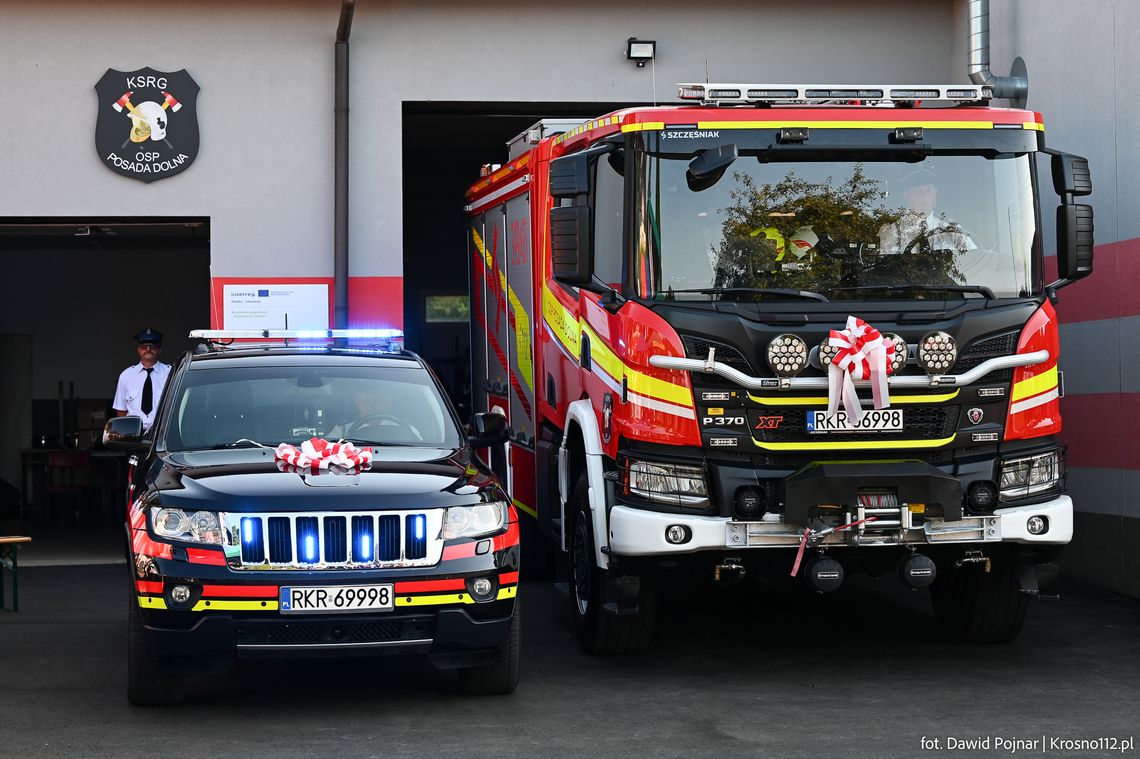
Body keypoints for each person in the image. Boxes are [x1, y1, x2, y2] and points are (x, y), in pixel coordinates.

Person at [878, 167, 977, 255]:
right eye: (918, 191)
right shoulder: (892, 233)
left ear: (935, 194)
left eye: (929, 190)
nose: (924, 196)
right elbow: (886, 269)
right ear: (907, 196)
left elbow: (974, 257)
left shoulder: (951, 231)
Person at [113, 328, 171, 433]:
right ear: (139, 350)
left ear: (159, 350)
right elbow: (121, 411)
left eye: (152, 347)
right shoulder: (126, 376)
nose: (148, 349)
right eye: (144, 347)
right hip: (133, 434)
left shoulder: (170, 373)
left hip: (163, 432)